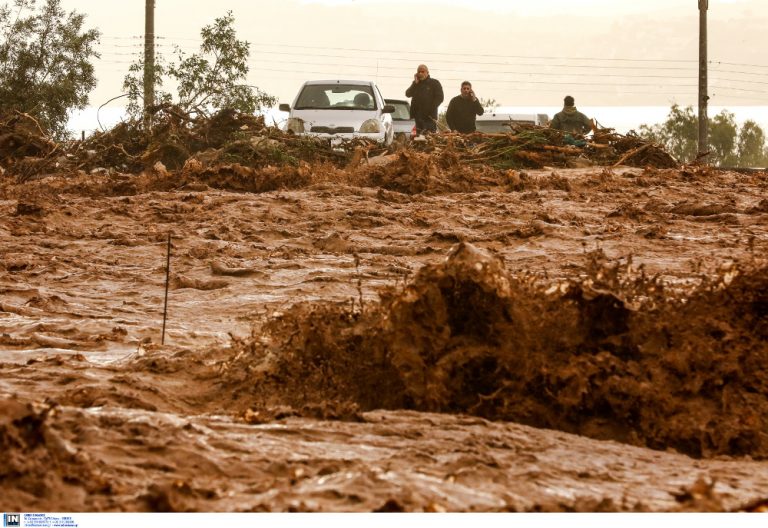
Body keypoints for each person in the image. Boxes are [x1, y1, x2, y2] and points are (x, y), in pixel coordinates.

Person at [405, 64, 444, 134]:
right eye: (419, 72)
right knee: (416, 138)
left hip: (429, 118)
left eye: (422, 72)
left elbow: (440, 98)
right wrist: (415, 83)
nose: (420, 74)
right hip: (416, 118)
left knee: (429, 137)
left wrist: (430, 109)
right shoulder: (416, 84)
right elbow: (408, 94)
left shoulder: (434, 83)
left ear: (427, 72)